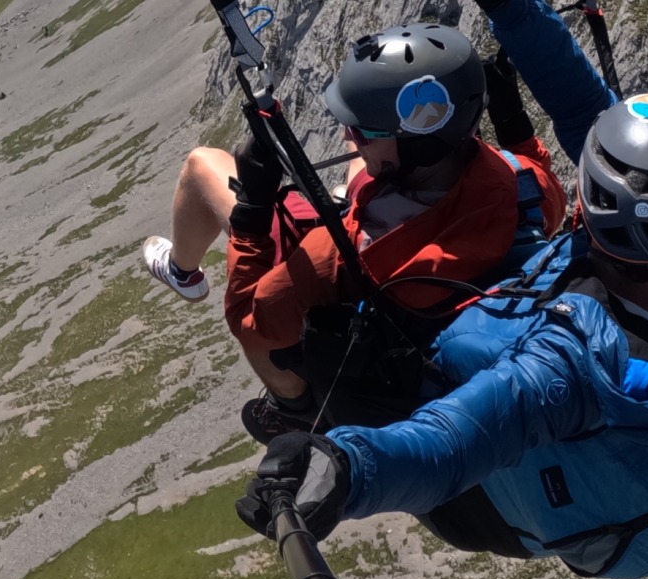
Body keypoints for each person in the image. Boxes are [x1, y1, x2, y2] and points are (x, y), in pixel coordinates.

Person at [233, 0, 648, 579]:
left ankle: (296, 409)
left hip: (518, 516)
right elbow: (585, 111)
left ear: (591, 202)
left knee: (355, 356)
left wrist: (342, 467)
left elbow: (451, 441)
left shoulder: (569, 367)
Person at [139, 22, 565, 440]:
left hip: (369, 319)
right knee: (359, 171)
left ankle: (292, 406)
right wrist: (514, 125)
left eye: (361, 131)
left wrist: (252, 211)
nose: (348, 134)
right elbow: (537, 173)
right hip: (431, 258)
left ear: (418, 141)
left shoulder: (341, 254)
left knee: (201, 165)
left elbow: (250, 321)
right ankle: (364, 166)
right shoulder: (525, 184)